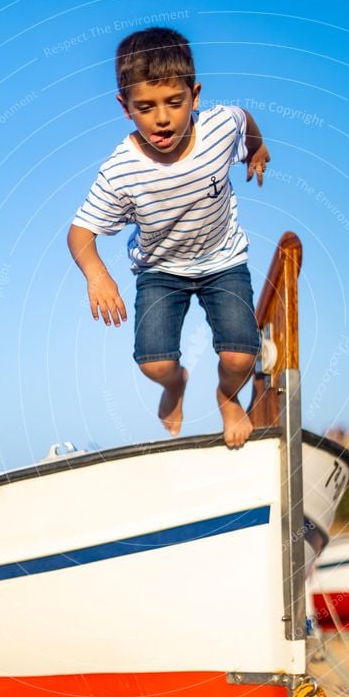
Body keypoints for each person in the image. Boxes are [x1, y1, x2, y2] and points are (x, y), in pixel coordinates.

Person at [67, 27, 270, 448]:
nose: (162, 118)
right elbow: (80, 231)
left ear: (194, 96)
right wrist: (97, 275)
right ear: (125, 107)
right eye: (146, 107)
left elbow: (245, 121)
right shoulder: (122, 170)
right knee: (154, 365)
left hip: (223, 261)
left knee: (240, 356)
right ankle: (175, 385)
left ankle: (228, 397)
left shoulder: (219, 128)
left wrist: (257, 150)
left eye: (174, 103)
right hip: (160, 271)